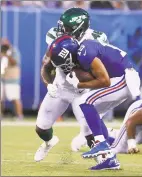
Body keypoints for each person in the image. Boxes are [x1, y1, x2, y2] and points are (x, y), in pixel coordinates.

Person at [34, 8, 110, 163]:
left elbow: (101, 71)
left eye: (67, 28)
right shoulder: (55, 36)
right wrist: (49, 84)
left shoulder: (96, 39)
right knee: (41, 128)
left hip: (84, 91)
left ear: (80, 28)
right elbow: (46, 65)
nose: (63, 30)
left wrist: (82, 76)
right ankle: (49, 142)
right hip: (61, 88)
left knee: (90, 133)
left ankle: (102, 159)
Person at [66, 31, 141, 169]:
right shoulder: (90, 48)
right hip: (121, 78)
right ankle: (109, 160)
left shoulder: (86, 49)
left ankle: (101, 144)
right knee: (93, 116)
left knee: (85, 101)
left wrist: (78, 84)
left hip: (124, 78)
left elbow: (104, 81)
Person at [1, 38, 24, 120]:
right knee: (1, 98)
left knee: (15, 98)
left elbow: (15, 63)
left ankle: (19, 116)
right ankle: (1, 115)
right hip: (2, 78)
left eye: (5, 44)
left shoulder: (14, 51)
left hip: (12, 79)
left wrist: (7, 55)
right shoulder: (1, 51)